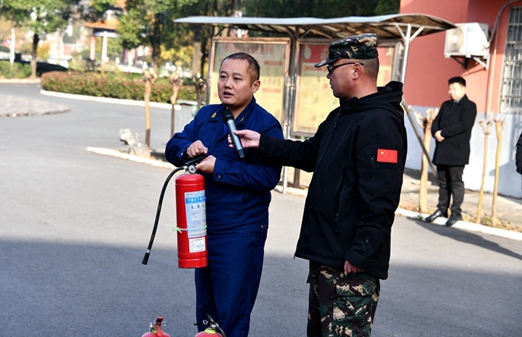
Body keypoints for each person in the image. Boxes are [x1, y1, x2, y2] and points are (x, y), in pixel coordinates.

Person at [233, 34, 407, 337]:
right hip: (328, 258)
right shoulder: (343, 115)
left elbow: (381, 199)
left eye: (332, 67)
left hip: (350, 266)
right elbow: (310, 154)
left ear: (355, 70)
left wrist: (360, 254)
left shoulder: (380, 122)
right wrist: (263, 143)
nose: (327, 75)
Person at [165, 52, 283, 337]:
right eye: (223, 76)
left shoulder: (266, 126)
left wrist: (219, 167)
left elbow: (267, 177)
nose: (227, 84)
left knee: (231, 314)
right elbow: (174, 145)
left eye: (237, 78)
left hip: (240, 231)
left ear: (255, 85)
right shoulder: (208, 115)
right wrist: (187, 148)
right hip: (203, 226)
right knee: (206, 311)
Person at [424, 77, 477, 227]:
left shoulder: (469, 106)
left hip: (457, 151)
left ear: (463, 89)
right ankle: (442, 209)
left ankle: (456, 212)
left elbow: (464, 125)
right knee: (442, 182)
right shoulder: (445, 105)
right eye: (450, 89)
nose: (451, 92)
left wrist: (444, 133)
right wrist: (435, 132)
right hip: (442, 149)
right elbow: (436, 122)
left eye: (454, 89)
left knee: (455, 182)